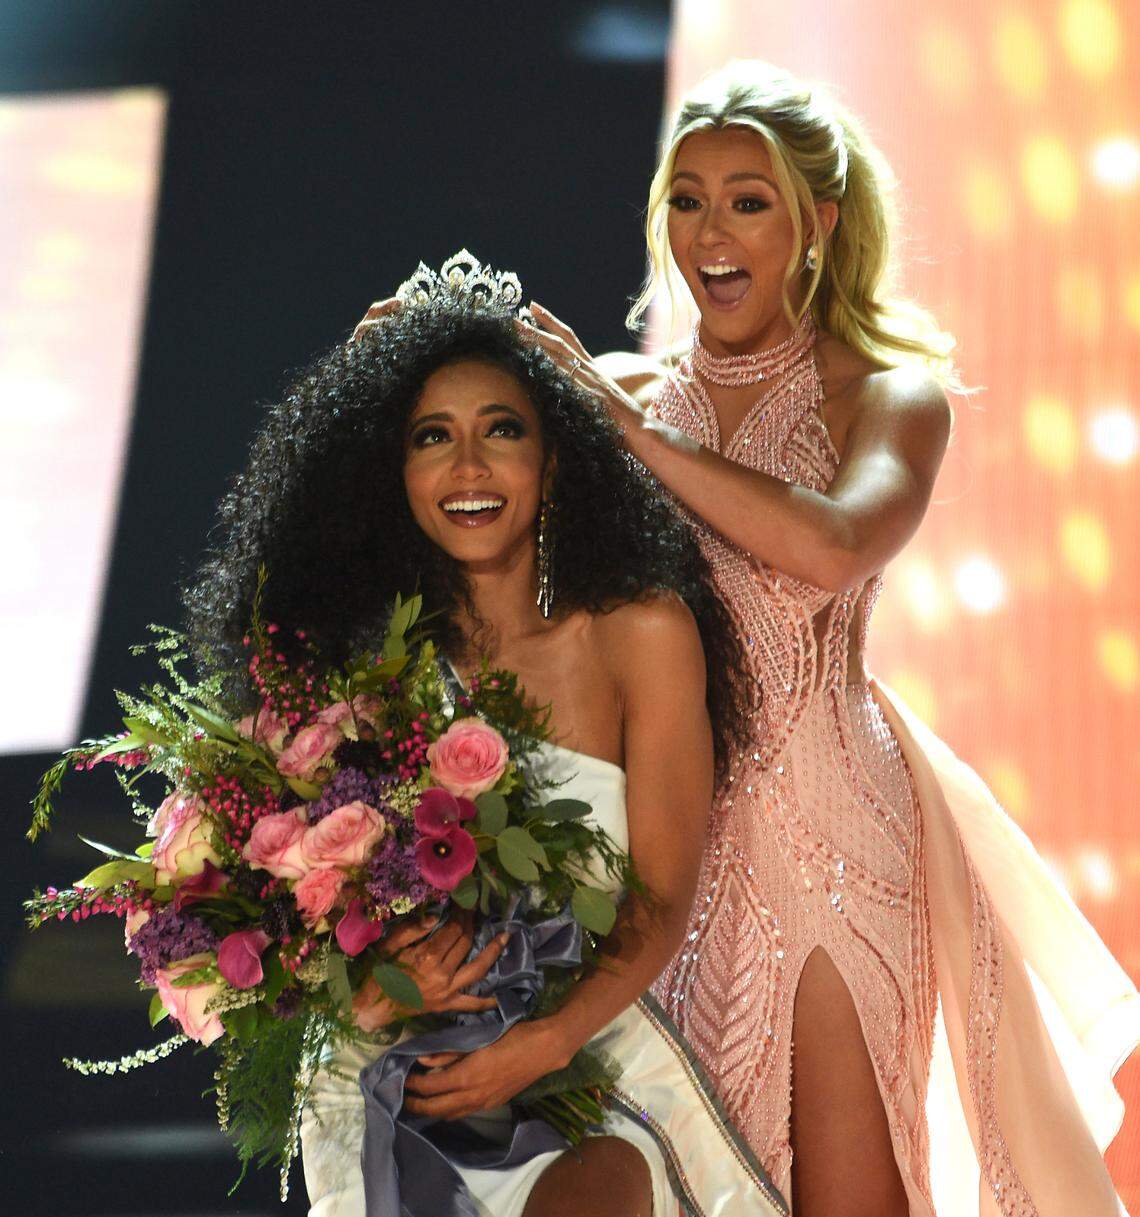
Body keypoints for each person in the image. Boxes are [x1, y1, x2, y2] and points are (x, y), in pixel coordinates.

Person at [446, 61, 1140, 1217]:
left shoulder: (887, 395)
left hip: (836, 833)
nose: (711, 232)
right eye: (688, 198)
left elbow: (832, 545)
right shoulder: (622, 393)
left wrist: (626, 428)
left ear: (818, 220)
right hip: (656, 845)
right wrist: (408, 355)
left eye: (748, 200)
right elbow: (467, 489)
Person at [185, 252, 787, 1217]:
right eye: (432, 437)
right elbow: (293, 928)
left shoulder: (644, 632)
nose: (469, 467)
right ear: (392, 476)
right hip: (398, 1085)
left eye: (501, 430)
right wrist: (372, 992)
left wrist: (541, 1045)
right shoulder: (356, 674)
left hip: (589, 1067)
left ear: (556, 461)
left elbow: (666, 900)